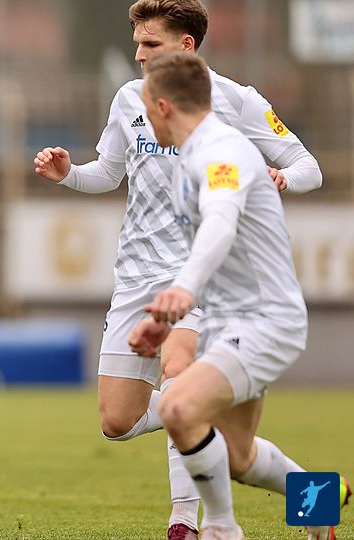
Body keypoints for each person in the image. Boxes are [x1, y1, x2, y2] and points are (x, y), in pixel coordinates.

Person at [32, 1, 322, 537]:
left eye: (151, 45)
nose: (138, 60)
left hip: (222, 299)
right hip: (146, 281)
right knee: (169, 434)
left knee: (181, 390)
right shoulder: (150, 117)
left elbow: (230, 218)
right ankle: (317, 497)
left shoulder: (227, 131)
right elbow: (113, 173)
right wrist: (70, 174)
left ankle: (194, 523)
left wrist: (185, 289)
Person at [129, 51, 347, 540]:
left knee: (178, 409)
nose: (142, 118)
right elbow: (214, 252)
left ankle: (221, 529)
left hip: (263, 320)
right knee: (237, 455)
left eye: (144, 107)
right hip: (227, 321)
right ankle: (321, 502)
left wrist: (182, 290)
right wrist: (167, 318)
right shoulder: (191, 158)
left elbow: (221, 223)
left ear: (162, 107)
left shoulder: (221, 152)